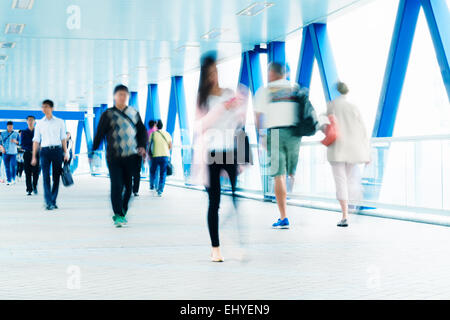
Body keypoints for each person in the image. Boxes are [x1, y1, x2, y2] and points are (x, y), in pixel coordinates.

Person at [193, 52, 247, 262]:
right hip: (211, 153)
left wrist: (238, 106)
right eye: (209, 73)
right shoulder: (203, 99)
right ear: (204, 76)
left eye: (215, 71)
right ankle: (216, 248)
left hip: (230, 151)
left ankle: (240, 244)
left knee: (235, 198)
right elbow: (200, 126)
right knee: (214, 202)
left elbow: (238, 124)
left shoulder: (228, 93)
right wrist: (219, 109)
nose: (213, 76)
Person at [254, 62, 304, 230]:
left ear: (271, 73)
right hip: (294, 133)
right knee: (290, 172)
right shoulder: (295, 88)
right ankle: (296, 187)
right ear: (285, 73)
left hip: (274, 133)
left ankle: (284, 217)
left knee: (278, 175)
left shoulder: (265, 90)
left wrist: (262, 135)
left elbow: (259, 115)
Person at [92, 85, 148, 228]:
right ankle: (117, 214)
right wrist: (93, 150)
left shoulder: (133, 113)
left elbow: (142, 131)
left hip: (131, 156)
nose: (122, 97)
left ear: (127, 96)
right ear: (114, 96)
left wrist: (142, 146)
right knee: (116, 185)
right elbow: (99, 133)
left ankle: (122, 211)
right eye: (120, 94)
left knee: (128, 187)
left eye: (125, 95)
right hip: (114, 156)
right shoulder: (108, 114)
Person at [325, 82, 370, 227]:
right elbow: (363, 131)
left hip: (337, 148)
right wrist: (366, 152)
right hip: (353, 149)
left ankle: (345, 215)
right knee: (351, 180)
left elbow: (324, 125)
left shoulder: (332, 105)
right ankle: (353, 207)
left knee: (340, 181)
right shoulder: (353, 107)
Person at [32, 100, 70, 210]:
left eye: (47, 107)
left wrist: (66, 152)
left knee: (56, 177)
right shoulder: (39, 123)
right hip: (44, 152)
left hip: (57, 151)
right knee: (45, 177)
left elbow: (63, 138)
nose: (44, 109)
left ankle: (53, 200)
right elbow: (36, 141)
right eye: (43, 107)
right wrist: (34, 156)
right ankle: (48, 201)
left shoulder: (60, 122)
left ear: (52, 108)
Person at [148, 120, 172, 197]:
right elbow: (170, 146)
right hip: (165, 156)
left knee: (153, 171)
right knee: (163, 173)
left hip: (155, 156)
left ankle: (152, 185)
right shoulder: (167, 134)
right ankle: (160, 191)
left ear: (157, 126)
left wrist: (149, 154)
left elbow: (149, 144)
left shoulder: (153, 134)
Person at [21, 116, 40, 195]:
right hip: (27, 153)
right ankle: (29, 189)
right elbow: (23, 145)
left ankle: (35, 186)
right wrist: (33, 144)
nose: (30, 121)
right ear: (27, 122)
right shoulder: (24, 132)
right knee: (27, 172)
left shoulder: (38, 132)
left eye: (32, 120)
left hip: (36, 154)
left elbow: (40, 142)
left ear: (35, 121)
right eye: (29, 120)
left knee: (36, 171)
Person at [0, 121, 20, 185]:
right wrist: (2, 148)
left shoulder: (16, 134)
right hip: (5, 152)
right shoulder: (2, 133)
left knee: (13, 166)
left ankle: (13, 179)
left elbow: (20, 143)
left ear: (13, 126)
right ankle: (9, 180)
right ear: (7, 126)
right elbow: (0, 142)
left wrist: (15, 141)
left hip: (13, 152)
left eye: (11, 127)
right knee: (7, 167)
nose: (10, 128)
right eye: (9, 127)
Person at [147, 120, 157, 190]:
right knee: (157, 170)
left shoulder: (147, 132)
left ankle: (151, 185)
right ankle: (156, 185)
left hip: (149, 153)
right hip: (156, 153)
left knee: (151, 170)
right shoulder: (157, 132)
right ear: (154, 124)